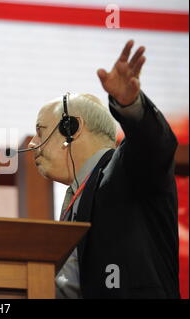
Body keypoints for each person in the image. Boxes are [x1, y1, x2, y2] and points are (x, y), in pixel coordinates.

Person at [28, 40, 180, 298]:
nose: (32, 144)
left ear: (71, 128)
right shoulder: (76, 196)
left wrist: (130, 106)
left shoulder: (123, 170)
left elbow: (156, 147)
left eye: (40, 131)